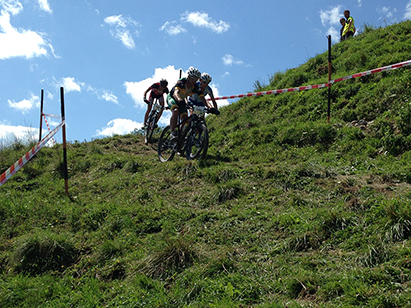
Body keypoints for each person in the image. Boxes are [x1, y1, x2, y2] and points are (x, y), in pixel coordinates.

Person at [167, 67, 206, 139]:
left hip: (182, 101)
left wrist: (210, 108)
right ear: (189, 77)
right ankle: (172, 133)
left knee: (185, 120)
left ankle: (180, 138)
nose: (194, 81)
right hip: (172, 98)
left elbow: (203, 98)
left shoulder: (195, 87)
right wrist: (179, 99)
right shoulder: (182, 82)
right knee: (175, 111)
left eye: (196, 79)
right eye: (193, 78)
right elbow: (176, 93)